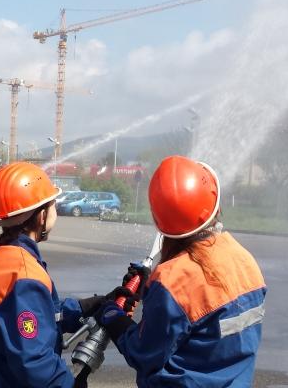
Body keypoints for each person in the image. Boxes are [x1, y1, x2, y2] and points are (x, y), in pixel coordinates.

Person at [98, 156, 267, 388]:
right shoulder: (244, 259)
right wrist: (151, 291)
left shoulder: (171, 281)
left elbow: (144, 353)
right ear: (214, 204)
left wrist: (113, 318)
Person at [0, 162, 120, 387]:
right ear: (40, 216)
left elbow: (29, 317)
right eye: (52, 204)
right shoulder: (22, 273)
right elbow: (34, 361)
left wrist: (84, 308)